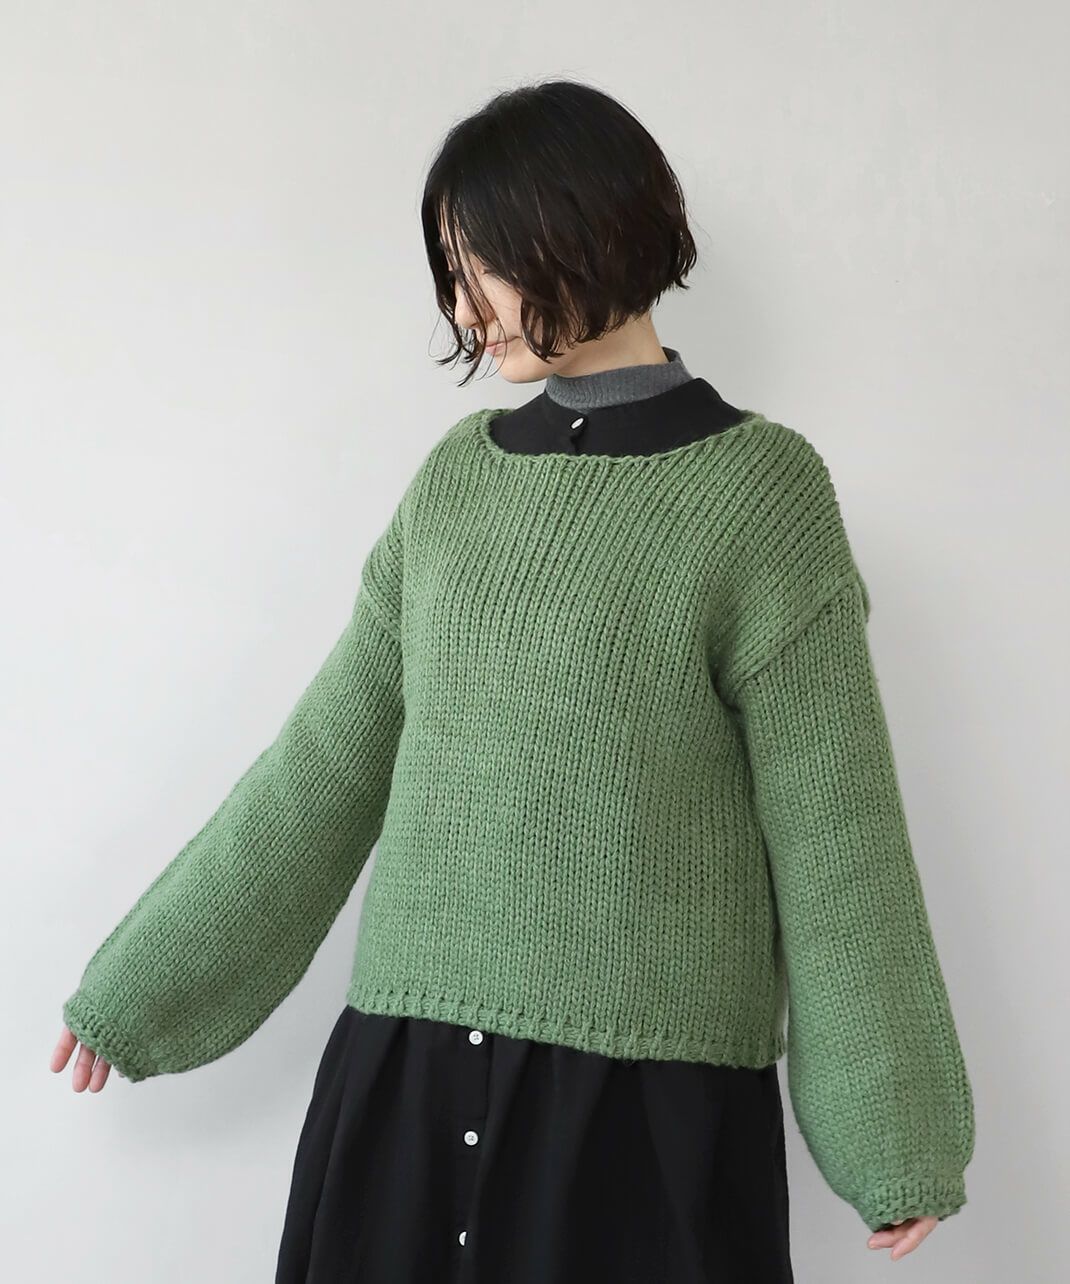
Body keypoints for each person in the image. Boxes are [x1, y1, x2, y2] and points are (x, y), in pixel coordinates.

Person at [52, 80, 975, 1281]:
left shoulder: (760, 494)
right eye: (448, 273)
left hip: (639, 1113)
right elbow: (323, 768)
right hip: (408, 1080)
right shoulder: (454, 483)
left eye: (480, 265)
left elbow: (836, 834)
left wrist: (892, 1132)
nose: (462, 307)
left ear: (586, 229)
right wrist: (145, 988)